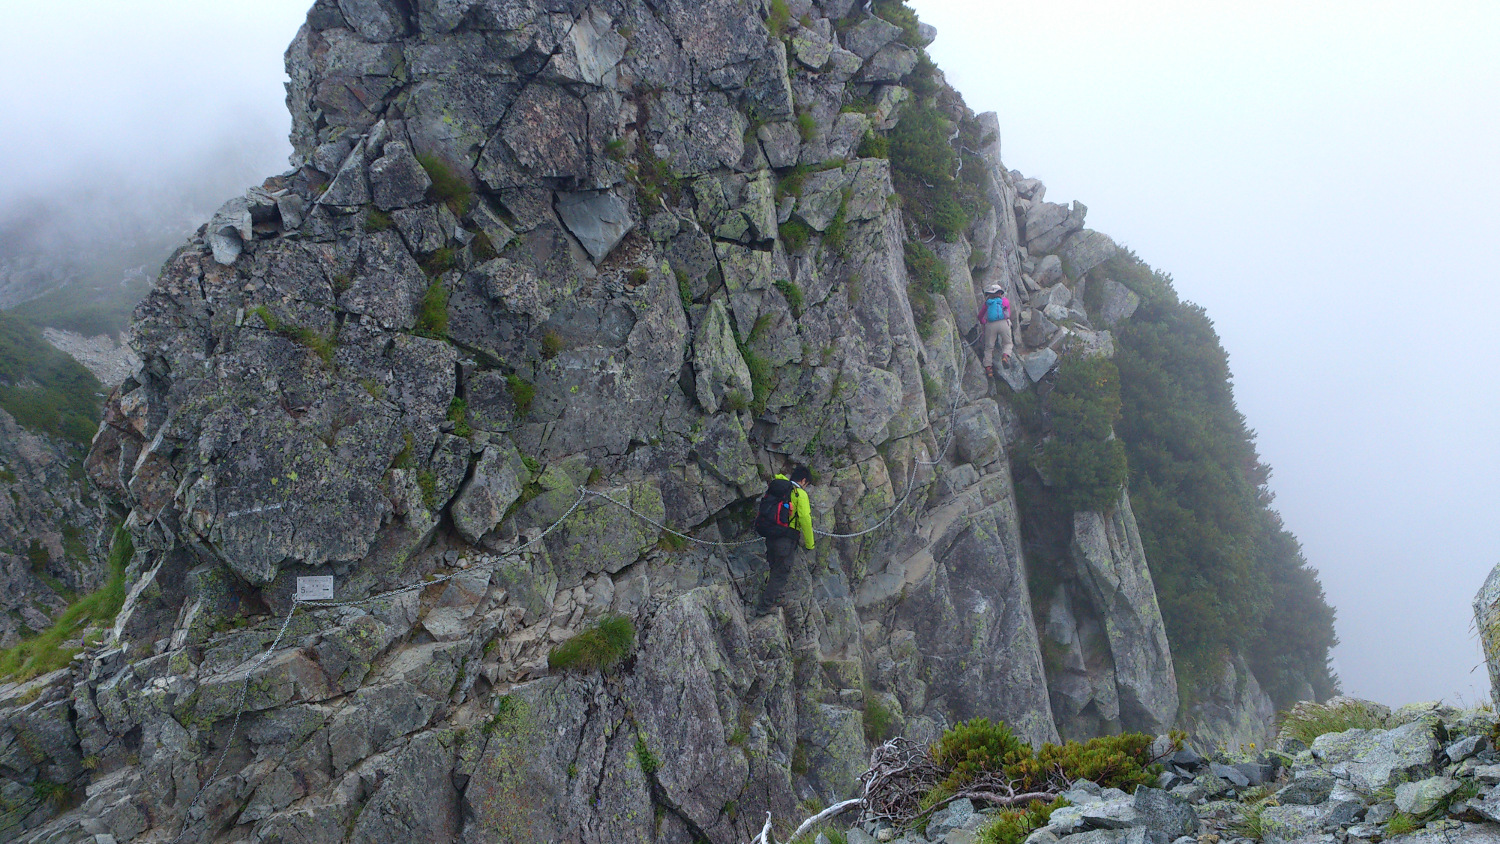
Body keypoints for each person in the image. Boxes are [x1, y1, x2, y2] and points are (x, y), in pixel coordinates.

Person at [755, 465, 815, 616]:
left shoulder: (778, 486)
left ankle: (775, 596)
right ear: (803, 481)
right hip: (786, 539)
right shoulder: (799, 495)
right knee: (781, 572)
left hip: (770, 534)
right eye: (806, 484)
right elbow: (805, 520)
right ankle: (764, 607)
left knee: (775, 566)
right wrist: (810, 544)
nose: (805, 487)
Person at [977, 282, 1016, 376]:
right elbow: (1008, 314)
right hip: (1004, 323)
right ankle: (1005, 356)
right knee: (1008, 343)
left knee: (989, 347)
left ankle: (988, 368)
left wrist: (983, 322)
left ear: (990, 294)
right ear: (1000, 293)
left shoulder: (987, 303)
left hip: (991, 325)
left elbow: (980, 316)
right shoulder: (1005, 301)